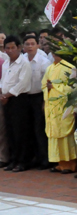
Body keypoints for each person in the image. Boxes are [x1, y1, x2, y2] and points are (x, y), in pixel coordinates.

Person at [42, 50, 77, 173]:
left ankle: (71, 163)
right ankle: (60, 162)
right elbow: (44, 85)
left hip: (64, 105)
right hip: (52, 106)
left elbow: (72, 88)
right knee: (54, 133)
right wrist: (48, 88)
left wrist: (55, 87)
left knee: (66, 133)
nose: (55, 54)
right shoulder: (50, 68)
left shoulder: (70, 67)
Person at [0, 36, 32, 172]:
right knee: (10, 131)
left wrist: (7, 94)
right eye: (7, 48)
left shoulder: (24, 63)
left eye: (13, 47)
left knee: (20, 131)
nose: (10, 50)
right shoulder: (6, 63)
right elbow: (4, 80)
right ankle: (13, 159)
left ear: (19, 48)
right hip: (7, 100)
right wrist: (2, 94)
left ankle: (22, 161)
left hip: (20, 99)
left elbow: (22, 83)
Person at [24, 33, 51, 169]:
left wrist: (44, 101)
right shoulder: (22, 60)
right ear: (23, 47)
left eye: (32, 44)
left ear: (38, 45)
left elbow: (47, 82)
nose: (30, 47)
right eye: (27, 44)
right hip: (24, 97)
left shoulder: (44, 61)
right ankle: (33, 157)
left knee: (39, 129)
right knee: (28, 128)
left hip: (39, 97)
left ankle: (44, 159)